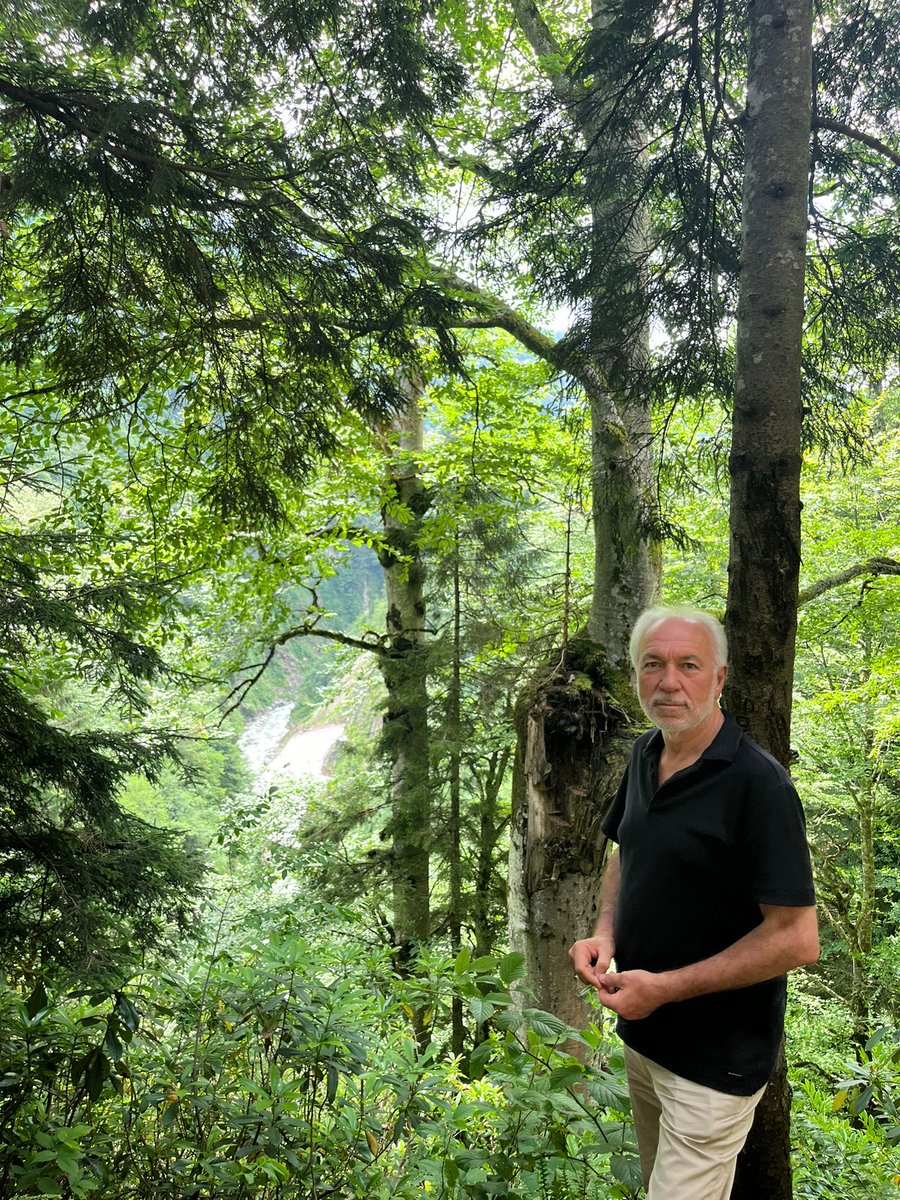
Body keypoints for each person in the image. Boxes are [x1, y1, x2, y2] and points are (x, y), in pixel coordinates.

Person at [569, 605, 818, 1200]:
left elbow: (796, 938)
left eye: (688, 665)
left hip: (715, 1063)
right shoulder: (646, 755)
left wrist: (667, 989)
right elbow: (628, 850)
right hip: (645, 1042)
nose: (668, 682)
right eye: (652, 665)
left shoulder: (758, 785)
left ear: (720, 678)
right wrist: (605, 932)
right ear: (635, 675)